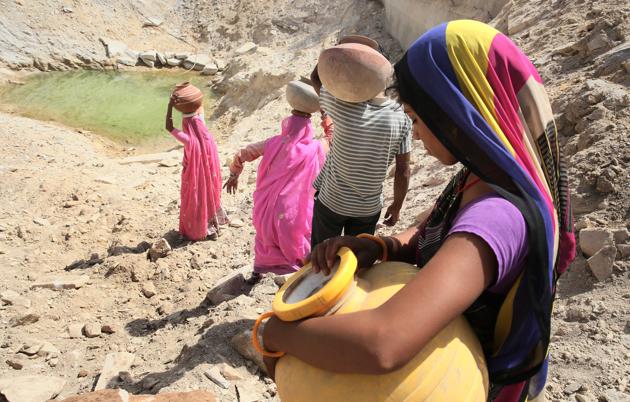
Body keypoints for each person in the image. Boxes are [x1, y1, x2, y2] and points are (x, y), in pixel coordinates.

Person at [261, 20, 576, 402]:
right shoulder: (478, 177)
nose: (414, 133)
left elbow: (384, 342)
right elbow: (424, 234)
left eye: (415, 118)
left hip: (457, 382)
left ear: (457, 113)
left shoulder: (497, 215)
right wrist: (379, 247)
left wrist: (275, 333)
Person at [309, 36, 412, 247]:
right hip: (368, 209)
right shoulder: (401, 117)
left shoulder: (342, 106)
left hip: (332, 202)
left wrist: (336, 56)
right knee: (356, 261)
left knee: (320, 259)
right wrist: (397, 206)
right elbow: (403, 171)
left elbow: (316, 78)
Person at [224, 106, 327, 280]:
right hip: (294, 209)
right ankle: (297, 269)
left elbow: (244, 153)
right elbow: (332, 136)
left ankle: (258, 270)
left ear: (286, 126)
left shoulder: (272, 143)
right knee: (294, 236)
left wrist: (234, 173)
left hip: (268, 203)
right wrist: (325, 114)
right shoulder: (315, 148)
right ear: (308, 128)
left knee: (265, 236)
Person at [165, 91, 228, 241]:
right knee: (208, 196)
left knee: (196, 199)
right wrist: (191, 103)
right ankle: (212, 225)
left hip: (195, 177)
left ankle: (198, 229)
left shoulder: (188, 140)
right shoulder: (206, 135)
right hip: (209, 175)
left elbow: (168, 126)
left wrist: (170, 106)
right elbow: (198, 112)